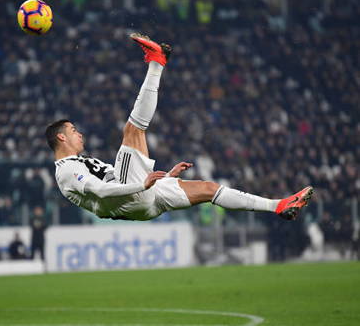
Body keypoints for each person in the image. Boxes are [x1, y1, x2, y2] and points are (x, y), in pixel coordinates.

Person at [45, 33, 313, 223]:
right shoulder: (67, 171)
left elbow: (113, 179)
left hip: (142, 202)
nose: (79, 133)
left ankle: (278, 206)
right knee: (132, 131)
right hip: (129, 199)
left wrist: (163, 178)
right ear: (61, 137)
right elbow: (102, 191)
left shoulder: (80, 162)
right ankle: (156, 62)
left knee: (208, 189)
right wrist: (141, 184)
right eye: (73, 130)